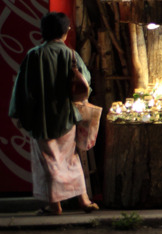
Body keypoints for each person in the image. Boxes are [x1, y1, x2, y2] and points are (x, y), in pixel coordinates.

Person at [7, 12, 99, 215]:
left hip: (40, 119)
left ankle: (54, 205)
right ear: (66, 31)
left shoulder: (34, 55)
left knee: (48, 161)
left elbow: (23, 89)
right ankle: (83, 200)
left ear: (43, 31)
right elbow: (86, 82)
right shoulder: (71, 55)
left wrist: (19, 115)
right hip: (67, 118)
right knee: (71, 159)